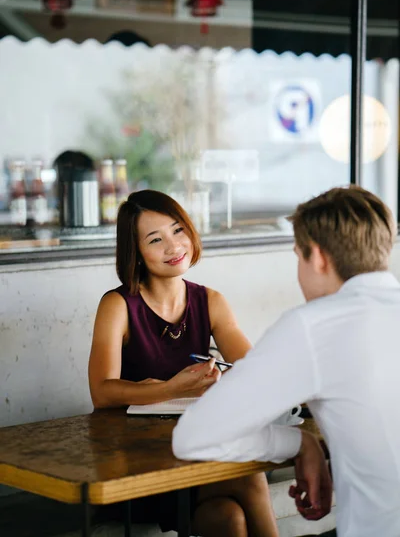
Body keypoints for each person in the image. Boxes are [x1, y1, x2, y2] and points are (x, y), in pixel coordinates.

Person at [173, 185, 400, 537]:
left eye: (298, 256)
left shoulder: (315, 325)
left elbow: (193, 436)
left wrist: (298, 442)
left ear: (320, 258)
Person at [88, 189, 279, 537]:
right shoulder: (117, 306)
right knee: (249, 478)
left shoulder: (211, 302)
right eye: (155, 239)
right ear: (137, 253)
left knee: (230, 519)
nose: (174, 247)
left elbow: (254, 370)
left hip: (195, 451)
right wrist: (171, 389)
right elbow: (101, 393)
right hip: (137, 463)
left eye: (178, 230)